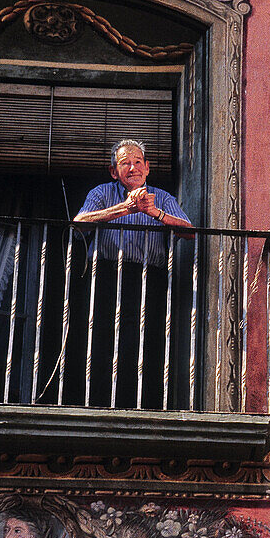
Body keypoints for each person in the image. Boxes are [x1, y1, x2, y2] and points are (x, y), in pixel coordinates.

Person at [75, 140, 192, 408]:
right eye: (125, 163)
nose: (133, 167)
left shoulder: (161, 197)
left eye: (138, 161)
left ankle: (142, 404)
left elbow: (188, 230)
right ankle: (100, 405)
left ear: (148, 168)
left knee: (144, 342)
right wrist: (124, 209)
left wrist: (155, 212)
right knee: (102, 340)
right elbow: (79, 223)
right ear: (114, 171)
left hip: (149, 277)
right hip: (105, 274)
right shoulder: (102, 192)